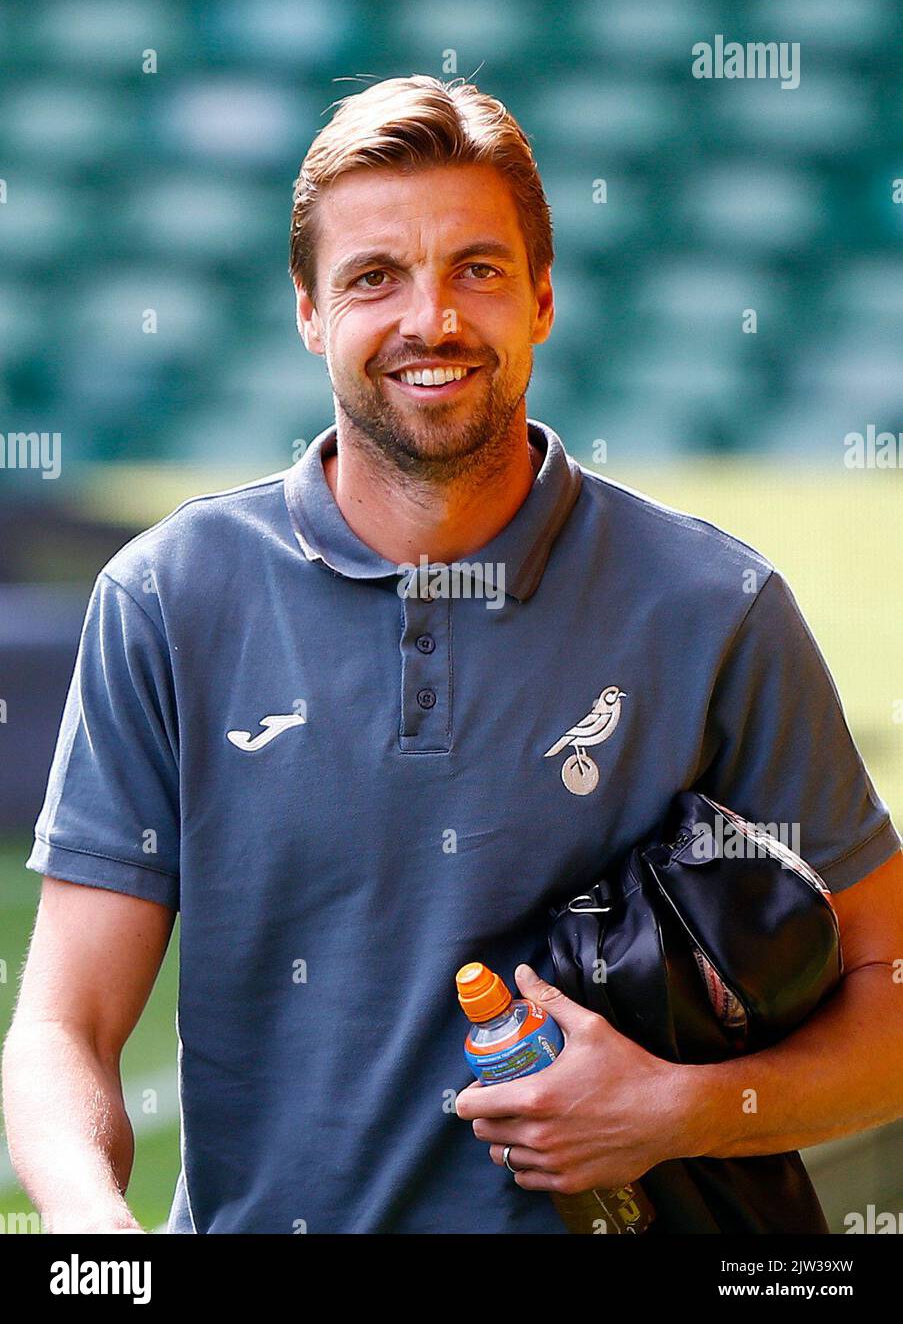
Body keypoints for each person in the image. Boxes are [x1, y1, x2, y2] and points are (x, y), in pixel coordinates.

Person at [3, 75, 902, 1235]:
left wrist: (682, 1106)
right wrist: (95, 1233)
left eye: (476, 269)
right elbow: (63, 1025)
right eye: (375, 276)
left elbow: (889, 993)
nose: (430, 318)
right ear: (309, 313)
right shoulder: (167, 597)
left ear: (541, 297)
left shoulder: (714, 607)